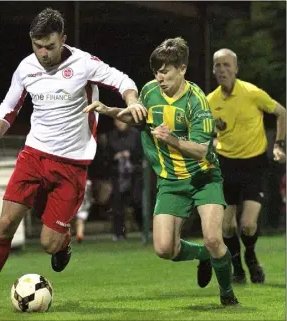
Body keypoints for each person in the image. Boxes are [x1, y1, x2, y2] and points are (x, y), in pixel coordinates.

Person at [0, 7, 146, 308]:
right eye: (38, 46)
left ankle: (63, 242)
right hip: (34, 155)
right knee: (5, 225)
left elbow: (122, 81)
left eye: (50, 46)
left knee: (48, 244)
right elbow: (8, 107)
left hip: (71, 164)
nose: (43, 53)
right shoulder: (26, 68)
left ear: (63, 40)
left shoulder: (84, 64)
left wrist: (133, 101)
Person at [84, 37, 239, 306]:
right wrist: (108, 110)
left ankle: (227, 294)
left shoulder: (196, 101)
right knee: (164, 249)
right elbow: (136, 116)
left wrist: (172, 140)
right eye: (156, 71)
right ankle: (204, 255)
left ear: (182, 69)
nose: (160, 76)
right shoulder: (149, 91)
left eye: (165, 70)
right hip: (170, 180)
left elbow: (202, 150)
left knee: (214, 238)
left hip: (203, 177)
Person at [207, 48, 286, 284]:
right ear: (213, 70)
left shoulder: (252, 93)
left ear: (236, 69)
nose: (222, 70)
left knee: (248, 224)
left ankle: (250, 257)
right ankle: (237, 267)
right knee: (227, 226)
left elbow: (282, 112)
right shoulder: (210, 101)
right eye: (217, 65)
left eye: (226, 65)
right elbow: (209, 133)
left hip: (254, 163)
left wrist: (279, 145)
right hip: (226, 164)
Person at [107, 119, 143, 240]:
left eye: (122, 120)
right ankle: (119, 233)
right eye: (116, 121)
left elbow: (141, 152)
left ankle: (145, 230)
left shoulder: (135, 134)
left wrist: (130, 155)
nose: (119, 123)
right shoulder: (111, 135)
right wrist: (116, 156)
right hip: (118, 174)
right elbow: (107, 154)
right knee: (117, 205)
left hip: (134, 174)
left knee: (137, 201)